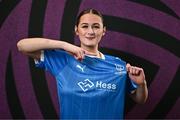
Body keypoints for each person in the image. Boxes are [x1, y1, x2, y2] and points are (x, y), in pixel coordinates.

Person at [17, 8, 148, 119]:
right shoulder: (63, 60)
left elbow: (140, 99)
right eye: (85, 26)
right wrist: (64, 45)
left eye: (96, 26)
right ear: (76, 30)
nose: (90, 32)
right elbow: (22, 45)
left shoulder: (118, 65)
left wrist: (141, 84)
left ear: (103, 31)